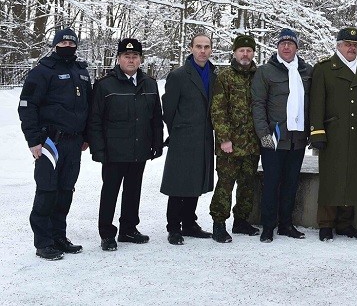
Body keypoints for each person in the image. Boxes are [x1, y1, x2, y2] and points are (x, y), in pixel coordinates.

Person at [18, 28, 92, 260]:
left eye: (72, 42)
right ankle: (43, 242)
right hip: (49, 142)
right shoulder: (41, 72)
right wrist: (34, 140)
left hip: (74, 142)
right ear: (55, 44)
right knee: (47, 190)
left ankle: (59, 236)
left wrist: (87, 136)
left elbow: (89, 106)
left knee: (65, 191)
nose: (68, 46)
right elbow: (27, 106)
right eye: (64, 42)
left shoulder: (82, 72)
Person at [87, 38, 164, 251]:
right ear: (119, 58)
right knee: (110, 191)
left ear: (140, 59)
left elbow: (156, 117)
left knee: (133, 190)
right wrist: (98, 149)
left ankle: (128, 229)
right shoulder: (105, 85)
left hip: (139, 148)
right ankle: (107, 233)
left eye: (135, 56)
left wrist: (157, 142)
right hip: (114, 151)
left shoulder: (149, 83)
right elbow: (95, 120)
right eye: (127, 56)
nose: (131, 60)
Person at [308, 26, 357, 241]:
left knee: (355, 178)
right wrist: (317, 133)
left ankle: (346, 223)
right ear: (338, 46)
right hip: (334, 133)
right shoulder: (325, 69)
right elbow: (316, 103)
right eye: (348, 44)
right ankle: (326, 224)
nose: (352, 48)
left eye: (355, 45)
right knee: (332, 178)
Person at [252, 28, 312, 242]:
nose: (286, 47)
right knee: (271, 183)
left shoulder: (306, 71)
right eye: (282, 43)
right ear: (277, 47)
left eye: (290, 43)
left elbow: (312, 103)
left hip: (297, 139)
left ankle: (286, 224)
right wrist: (263, 133)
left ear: (296, 47)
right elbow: (258, 104)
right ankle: (268, 226)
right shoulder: (266, 71)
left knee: (290, 183)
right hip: (274, 138)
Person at [160, 33, 217, 244]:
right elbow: (169, 109)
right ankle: (174, 226)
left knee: (196, 180)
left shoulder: (214, 74)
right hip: (183, 135)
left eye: (207, 47)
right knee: (179, 182)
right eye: (199, 46)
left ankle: (189, 222)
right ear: (191, 48)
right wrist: (177, 130)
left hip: (203, 136)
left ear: (211, 50)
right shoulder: (179, 75)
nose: (203, 51)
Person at [208, 34, 261, 243]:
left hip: (252, 142)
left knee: (247, 184)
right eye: (241, 50)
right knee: (226, 183)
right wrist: (223, 138)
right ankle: (218, 223)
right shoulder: (225, 76)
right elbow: (218, 109)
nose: (245, 54)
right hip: (229, 144)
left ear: (253, 53)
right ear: (235, 53)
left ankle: (241, 220)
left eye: (249, 51)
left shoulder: (260, 75)